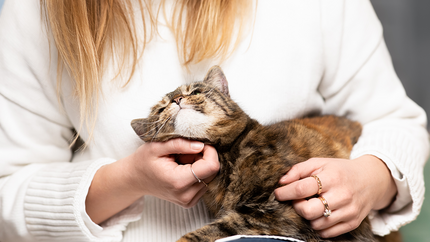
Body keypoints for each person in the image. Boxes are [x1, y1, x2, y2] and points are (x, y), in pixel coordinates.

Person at [0, 0, 428, 241]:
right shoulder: (34, 10)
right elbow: (8, 189)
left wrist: (371, 179)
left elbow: (396, 120)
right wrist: (127, 180)